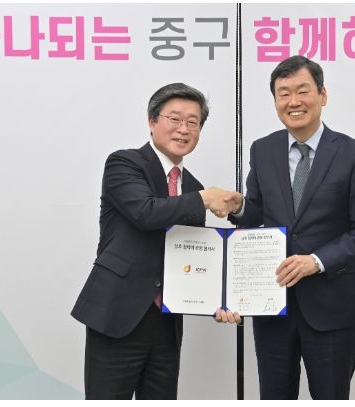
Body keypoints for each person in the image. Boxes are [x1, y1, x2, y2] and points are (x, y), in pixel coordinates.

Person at [218, 56, 355, 399]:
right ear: (275, 101)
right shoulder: (262, 150)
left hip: (332, 308)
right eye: (284, 93)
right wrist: (239, 207)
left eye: (303, 90)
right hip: (272, 305)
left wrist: (316, 261)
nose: (293, 101)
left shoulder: (353, 154)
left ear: (323, 95)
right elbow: (258, 212)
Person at [71, 82, 240, 399]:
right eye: (174, 119)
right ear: (152, 121)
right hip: (118, 314)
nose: (183, 129)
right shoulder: (125, 163)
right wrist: (204, 199)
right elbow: (145, 212)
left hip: (166, 322)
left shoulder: (193, 187)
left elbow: (193, 254)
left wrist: (222, 300)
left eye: (193, 122)